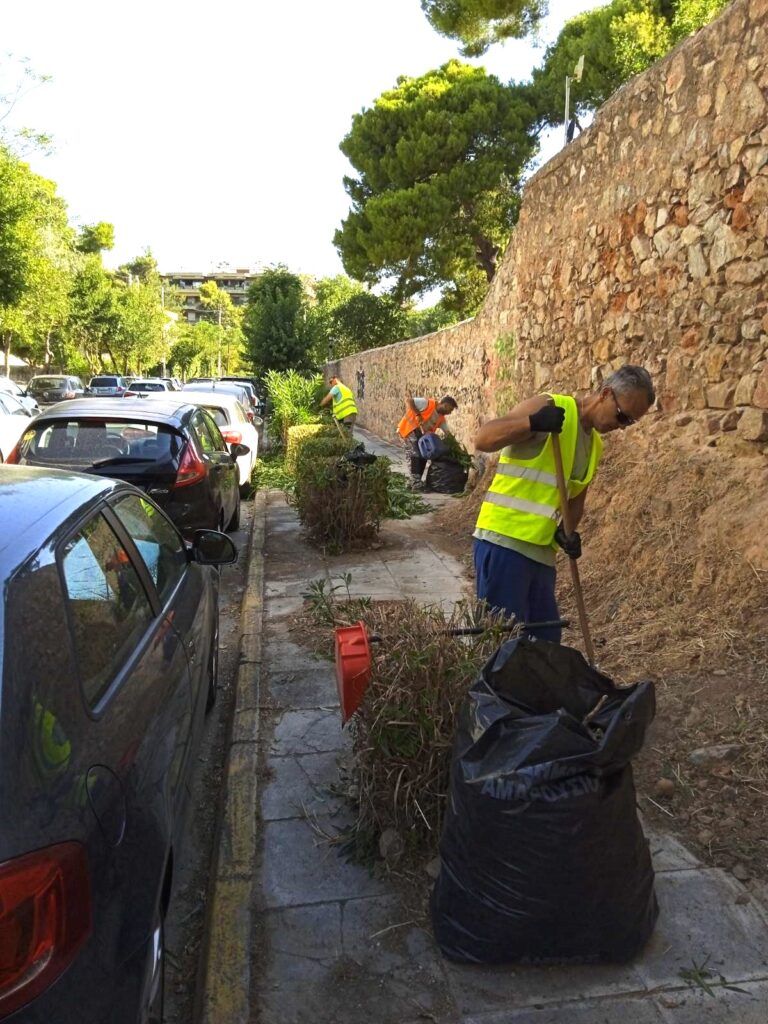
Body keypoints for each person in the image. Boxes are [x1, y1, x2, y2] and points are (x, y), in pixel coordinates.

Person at [473, 365, 655, 642]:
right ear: (606, 394)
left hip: (542, 554)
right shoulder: (550, 406)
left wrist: (567, 534)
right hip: (504, 542)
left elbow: (575, 501)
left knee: (547, 643)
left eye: (629, 423)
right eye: (621, 416)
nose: (620, 427)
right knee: (502, 645)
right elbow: (484, 439)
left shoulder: (594, 445)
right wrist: (531, 424)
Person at [397, 392, 458, 488]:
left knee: (424, 455)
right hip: (407, 430)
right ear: (445, 405)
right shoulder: (427, 403)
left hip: (419, 436)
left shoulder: (441, 419)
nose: (449, 413)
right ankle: (415, 482)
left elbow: (448, 434)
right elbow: (409, 401)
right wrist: (418, 414)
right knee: (415, 455)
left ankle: (414, 481)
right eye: (450, 410)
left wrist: (456, 446)